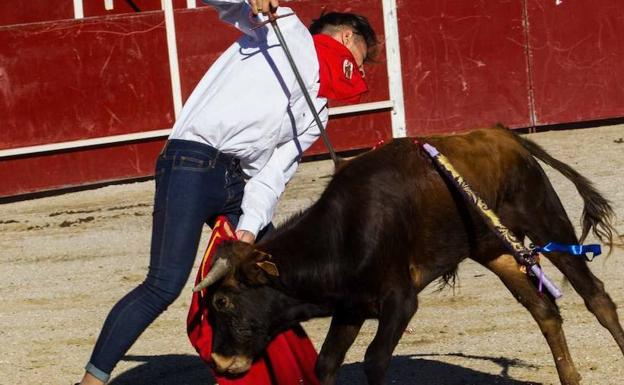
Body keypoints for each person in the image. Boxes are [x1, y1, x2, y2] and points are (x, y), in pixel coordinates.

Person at [77, 0, 377, 383]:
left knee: (269, 273)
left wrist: (249, 229)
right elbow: (224, 4)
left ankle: (270, 373)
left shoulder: (319, 109)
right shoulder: (284, 27)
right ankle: (90, 382)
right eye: (360, 57)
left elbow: (272, 175)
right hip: (191, 162)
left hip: (237, 182)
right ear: (346, 35)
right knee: (163, 285)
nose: (359, 69)